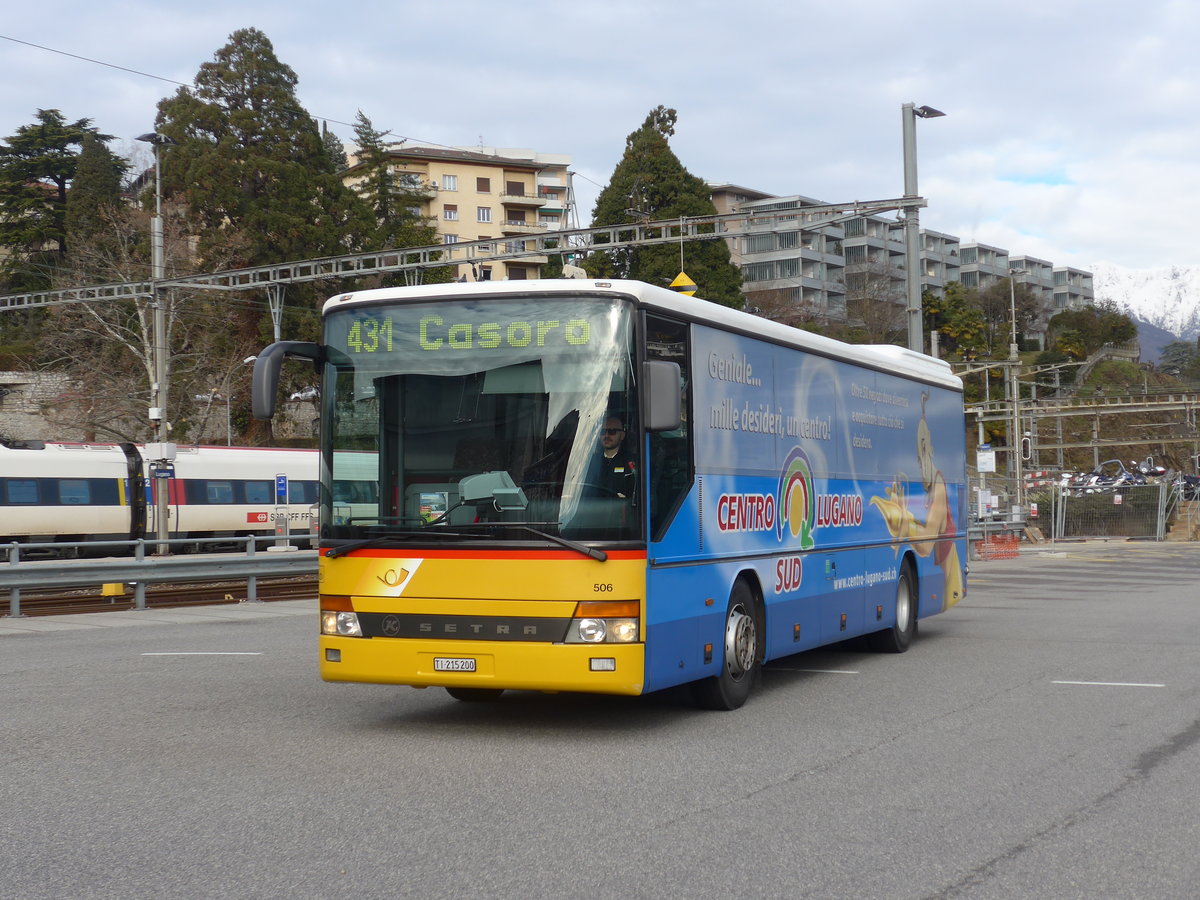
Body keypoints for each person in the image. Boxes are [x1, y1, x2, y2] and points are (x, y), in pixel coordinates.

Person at [591, 415, 637, 500]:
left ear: (622, 435)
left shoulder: (631, 461)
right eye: (603, 432)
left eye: (612, 431)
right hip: (592, 509)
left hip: (620, 510)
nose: (606, 435)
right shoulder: (590, 461)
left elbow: (637, 493)